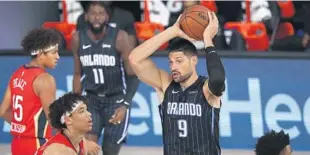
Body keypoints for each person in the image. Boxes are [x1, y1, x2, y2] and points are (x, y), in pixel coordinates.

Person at [129, 11, 225, 155]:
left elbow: (217, 79)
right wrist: (171, 32)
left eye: (179, 61)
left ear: (193, 61)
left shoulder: (205, 89)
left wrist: (207, 40)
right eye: (171, 62)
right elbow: (134, 59)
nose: (173, 67)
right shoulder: (165, 84)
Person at [72, 1, 138, 155]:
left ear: (107, 17)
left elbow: (133, 76)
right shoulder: (77, 38)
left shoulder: (120, 37)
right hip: (91, 100)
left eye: (101, 13)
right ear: (86, 17)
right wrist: (75, 103)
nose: (97, 17)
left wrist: (125, 105)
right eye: (93, 13)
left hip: (115, 101)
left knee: (109, 150)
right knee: (88, 149)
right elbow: (77, 74)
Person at [0, 28, 60, 155]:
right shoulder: (45, 80)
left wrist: (24, 128)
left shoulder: (16, 74)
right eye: (53, 52)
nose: (57, 57)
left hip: (17, 144)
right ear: (40, 55)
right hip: (37, 144)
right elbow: (53, 119)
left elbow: (3, 111)